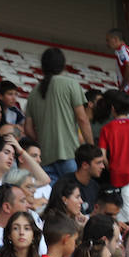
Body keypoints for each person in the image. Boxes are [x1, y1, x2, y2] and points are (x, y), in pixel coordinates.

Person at [25, 47, 92, 182]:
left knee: (54, 200)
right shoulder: (71, 84)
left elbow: (27, 128)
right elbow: (82, 119)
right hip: (69, 154)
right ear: (62, 64)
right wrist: (91, 147)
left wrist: (43, 140)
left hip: (45, 157)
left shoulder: (33, 92)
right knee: (75, 197)